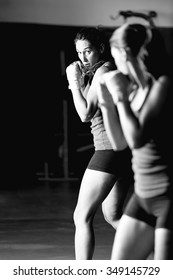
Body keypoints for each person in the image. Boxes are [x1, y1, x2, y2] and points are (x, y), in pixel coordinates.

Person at [97, 23, 173, 259]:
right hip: (143, 195)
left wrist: (119, 97)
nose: (114, 64)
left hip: (169, 197)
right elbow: (120, 143)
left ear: (125, 53)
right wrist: (106, 102)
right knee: (120, 270)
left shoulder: (163, 85)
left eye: (114, 56)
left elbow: (137, 139)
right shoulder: (135, 90)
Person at [66, 27, 133, 260]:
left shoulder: (103, 71)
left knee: (81, 216)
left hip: (108, 149)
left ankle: (82, 273)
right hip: (121, 150)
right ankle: (158, 254)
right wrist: (79, 81)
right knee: (112, 214)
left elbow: (85, 114)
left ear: (101, 49)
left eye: (88, 51)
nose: (83, 58)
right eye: (79, 53)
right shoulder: (96, 72)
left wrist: (73, 83)